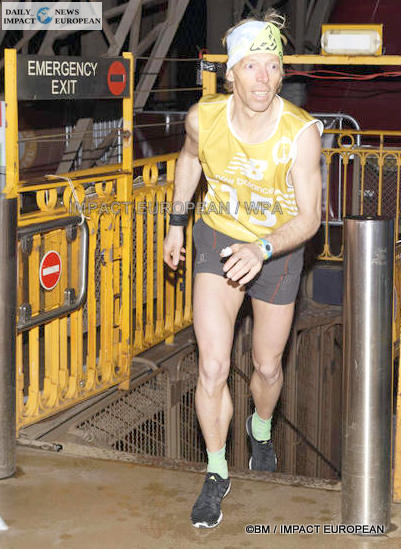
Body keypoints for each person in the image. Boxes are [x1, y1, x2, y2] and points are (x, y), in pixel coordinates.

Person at [163, 10, 323, 529]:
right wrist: (177, 224)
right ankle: (216, 472)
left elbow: (310, 218)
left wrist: (263, 248)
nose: (263, 78)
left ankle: (261, 427)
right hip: (217, 238)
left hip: (278, 247)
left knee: (266, 366)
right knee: (212, 366)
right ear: (231, 72)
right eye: (251, 65)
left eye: (272, 66)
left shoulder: (300, 133)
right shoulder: (203, 118)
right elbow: (190, 159)